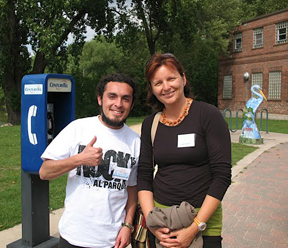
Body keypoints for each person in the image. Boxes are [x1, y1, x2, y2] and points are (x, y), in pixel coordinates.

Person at [137, 53, 231, 248]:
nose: (166, 87)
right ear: (152, 89)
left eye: (171, 78)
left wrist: (195, 227)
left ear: (183, 78)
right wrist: (152, 222)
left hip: (202, 220)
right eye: (158, 83)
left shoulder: (208, 115)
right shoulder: (150, 124)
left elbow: (222, 176)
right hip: (161, 222)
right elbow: (144, 175)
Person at [39, 73, 140, 248]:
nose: (118, 104)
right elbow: (45, 172)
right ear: (100, 99)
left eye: (125, 99)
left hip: (111, 240)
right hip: (74, 235)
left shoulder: (135, 141)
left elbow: (132, 188)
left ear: (131, 104)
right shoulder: (79, 128)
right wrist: (78, 159)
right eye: (112, 96)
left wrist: (127, 225)